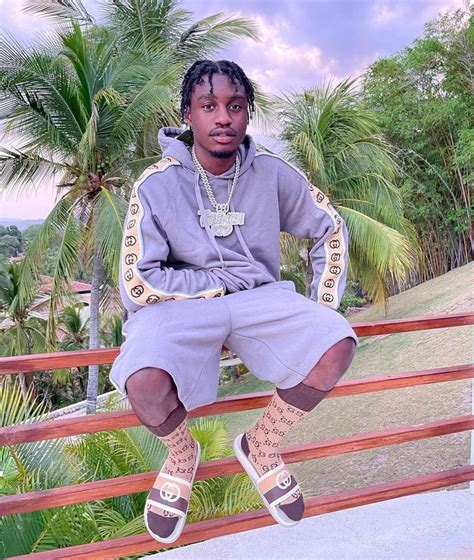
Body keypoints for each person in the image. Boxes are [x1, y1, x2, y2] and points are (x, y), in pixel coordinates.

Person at [110, 60, 358, 544]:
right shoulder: (156, 185)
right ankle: (182, 457)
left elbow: (329, 227)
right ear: (188, 114)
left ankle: (262, 445)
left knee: (336, 343)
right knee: (142, 379)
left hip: (262, 299)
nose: (223, 117)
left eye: (235, 106)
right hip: (180, 305)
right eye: (209, 106)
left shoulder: (271, 172)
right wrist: (214, 287)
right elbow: (137, 283)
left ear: (247, 115)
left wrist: (322, 304)